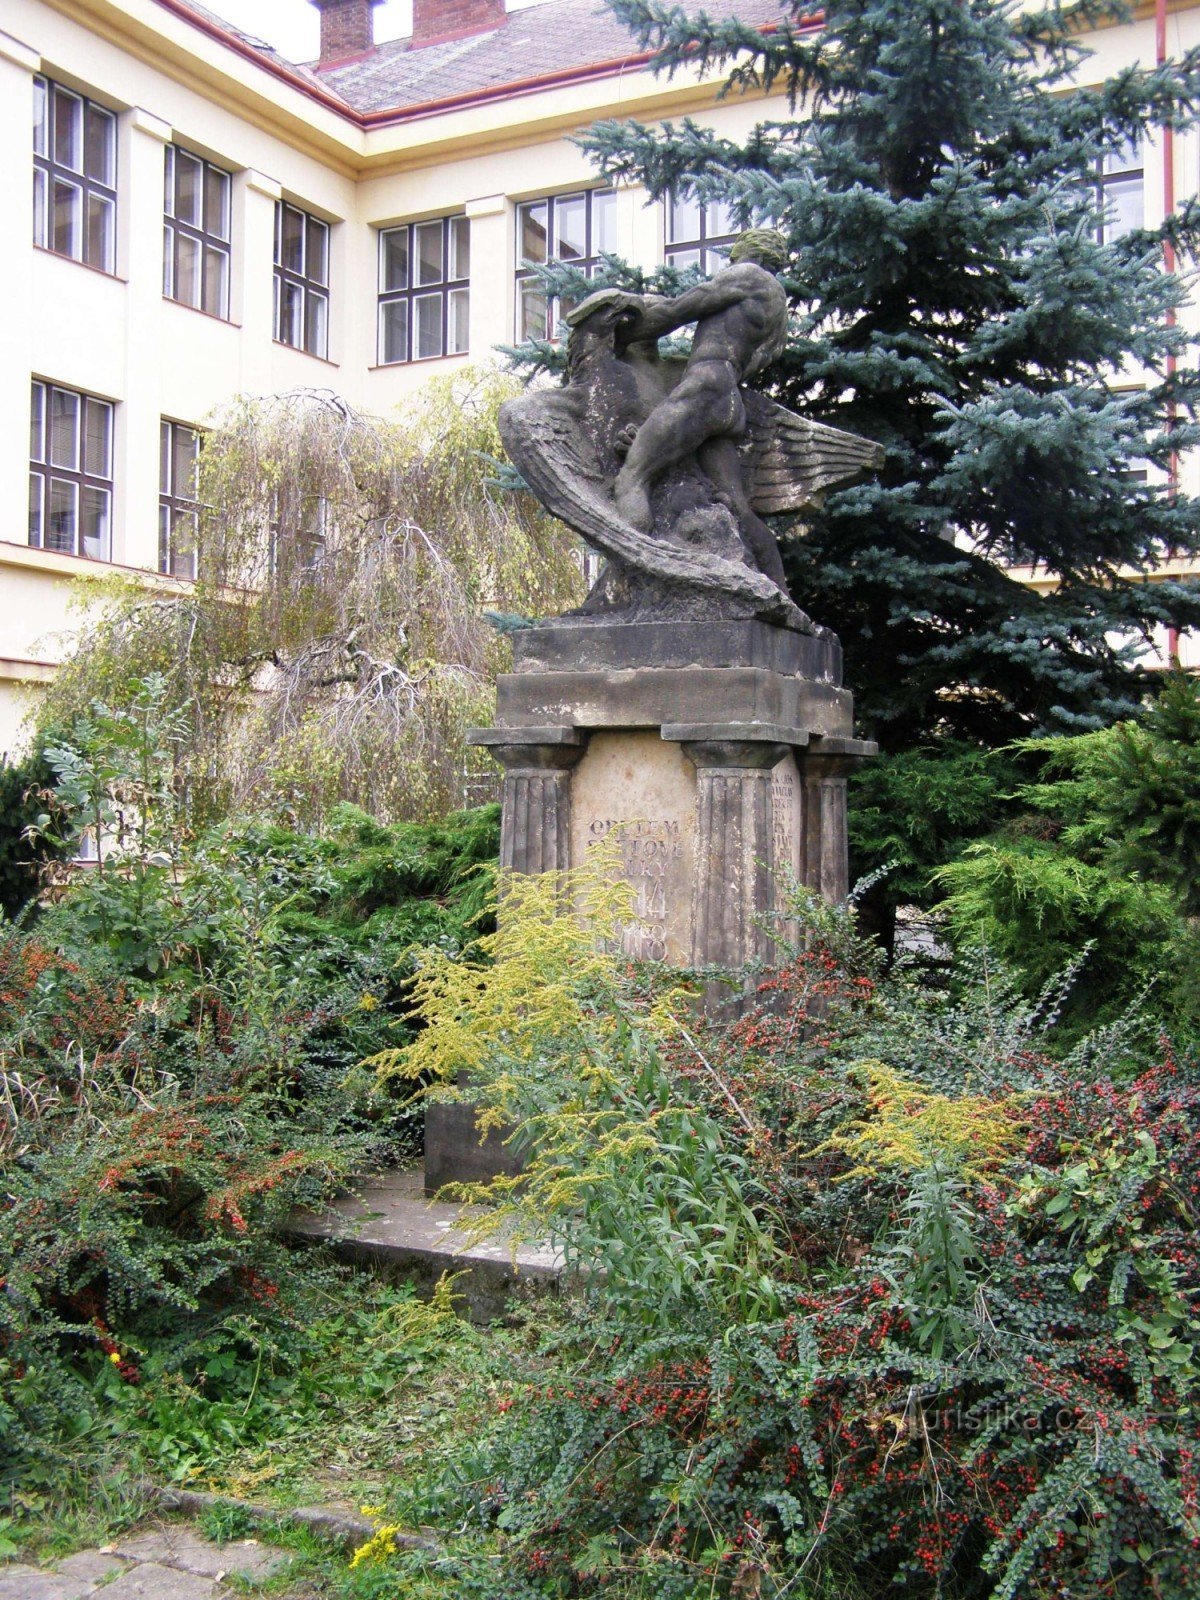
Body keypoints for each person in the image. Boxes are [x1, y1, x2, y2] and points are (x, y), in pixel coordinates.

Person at [606, 228, 792, 590]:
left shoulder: (748, 275)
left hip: (705, 388)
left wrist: (617, 334)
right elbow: (757, 359)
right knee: (737, 506)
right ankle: (781, 595)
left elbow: (680, 309)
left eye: (735, 252)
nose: (731, 259)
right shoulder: (777, 307)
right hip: (728, 399)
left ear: (745, 250)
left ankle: (636, 584)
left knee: (633, 476)